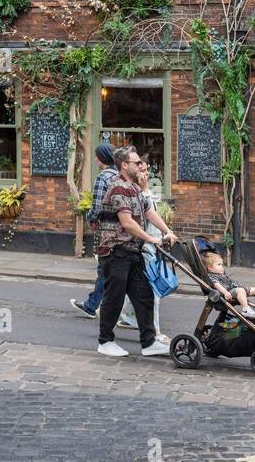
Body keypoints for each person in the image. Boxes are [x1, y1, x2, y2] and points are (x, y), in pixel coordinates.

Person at [96, 146, 176, 358]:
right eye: (137, 162)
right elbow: (127, 223)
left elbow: (149, 212)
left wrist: (167, 231)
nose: (141, 165)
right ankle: (105, 341)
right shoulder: (119, 188)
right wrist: (152, 239)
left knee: (144, 295)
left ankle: (149, 343)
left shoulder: (134, 188)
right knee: (114, 297)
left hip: (132, 252)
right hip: (116, 251)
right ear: (124, 165)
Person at [70, 143, 117, 318]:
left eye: (97, 156)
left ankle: (92, 306)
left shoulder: (103, 178)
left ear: (102, 158)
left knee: (105, 269)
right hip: (126, 229)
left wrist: (91, 219)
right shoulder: (121, 175)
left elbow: (97, 207)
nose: (95, 159)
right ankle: (95, 305)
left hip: (108, 230)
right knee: (114, 270)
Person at [200, 249, 255, 318]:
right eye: (219, 264)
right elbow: (216, 285)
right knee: (240, 291)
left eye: (222, 264)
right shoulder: (212, 276)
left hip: (234, 289)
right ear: (210, 268)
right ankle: (246, 309)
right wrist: (225, 293)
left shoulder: (220, 274)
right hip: (227, 293)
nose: (222, 266)